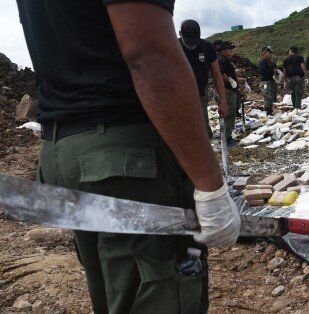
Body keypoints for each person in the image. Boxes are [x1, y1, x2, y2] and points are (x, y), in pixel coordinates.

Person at [16, 1, 241, 313]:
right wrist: (210, 184)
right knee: (156, 290)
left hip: (62, 145)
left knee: (117, 293)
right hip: (126, 161)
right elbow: (149, 56)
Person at [179, 20, 227, 139]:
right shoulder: (172, 46)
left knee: (202, 130)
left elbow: (216, 74)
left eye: (194, 41)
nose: (191, 45)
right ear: (180, 33)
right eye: (188, 41)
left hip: (200, 94)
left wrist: (223, 100)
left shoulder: (207, 47)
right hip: (177, 96)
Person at [219, 41, 246, 146]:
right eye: (229, 49)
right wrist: (231, 80)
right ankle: (227, 138)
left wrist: (238, 80)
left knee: (231, 113)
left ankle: (227, 136)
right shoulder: (223, 60)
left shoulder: (226, 60)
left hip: (230, 90)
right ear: (223, 51)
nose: (232, 50)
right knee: (229, 113)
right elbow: (220, 74)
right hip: (227, 91)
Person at [258, 46, 278, 115]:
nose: (271, 54)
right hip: (265, 82)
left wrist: (276, 73)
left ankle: (270, 109)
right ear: (264, 53)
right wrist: (273, 71)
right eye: (269, 53)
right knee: (267, 96)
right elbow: (264, 72)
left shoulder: (272, 63)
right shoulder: (262, 62)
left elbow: (276, 73)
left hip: (271, 81)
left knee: (272, 96)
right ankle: (268, 111)